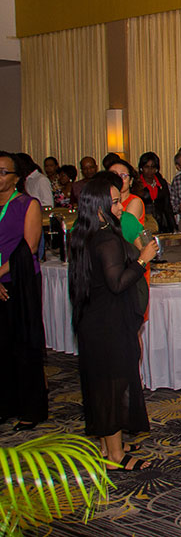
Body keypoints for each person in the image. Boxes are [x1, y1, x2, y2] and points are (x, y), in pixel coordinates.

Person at [68, 177, 158, 471]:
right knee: (113, 385)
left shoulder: (84, 234)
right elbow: (117, 283)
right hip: (109, 323)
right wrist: (143, 260)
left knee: (103, 384)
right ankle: (116, 456)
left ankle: (109, 445)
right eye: (116, 203)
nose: (121, 207)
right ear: (99, 207)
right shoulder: (106, 239)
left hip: (94, 320)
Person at [0, 152, 47, 431]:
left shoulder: (27, 204)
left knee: (23, 343)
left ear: (16, 177)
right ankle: (6, 404)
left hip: (20, 280)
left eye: (3, 172)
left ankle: (31, 408)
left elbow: (29, 247)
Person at [135, 152, 177, 233]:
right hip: (144, 225)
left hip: (163, 225)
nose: (150, 170)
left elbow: (168, 207)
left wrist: (174, 227)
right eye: (146, 167)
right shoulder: (136, 185)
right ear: (141, 168)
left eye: (153, 167)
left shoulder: (162, 183)